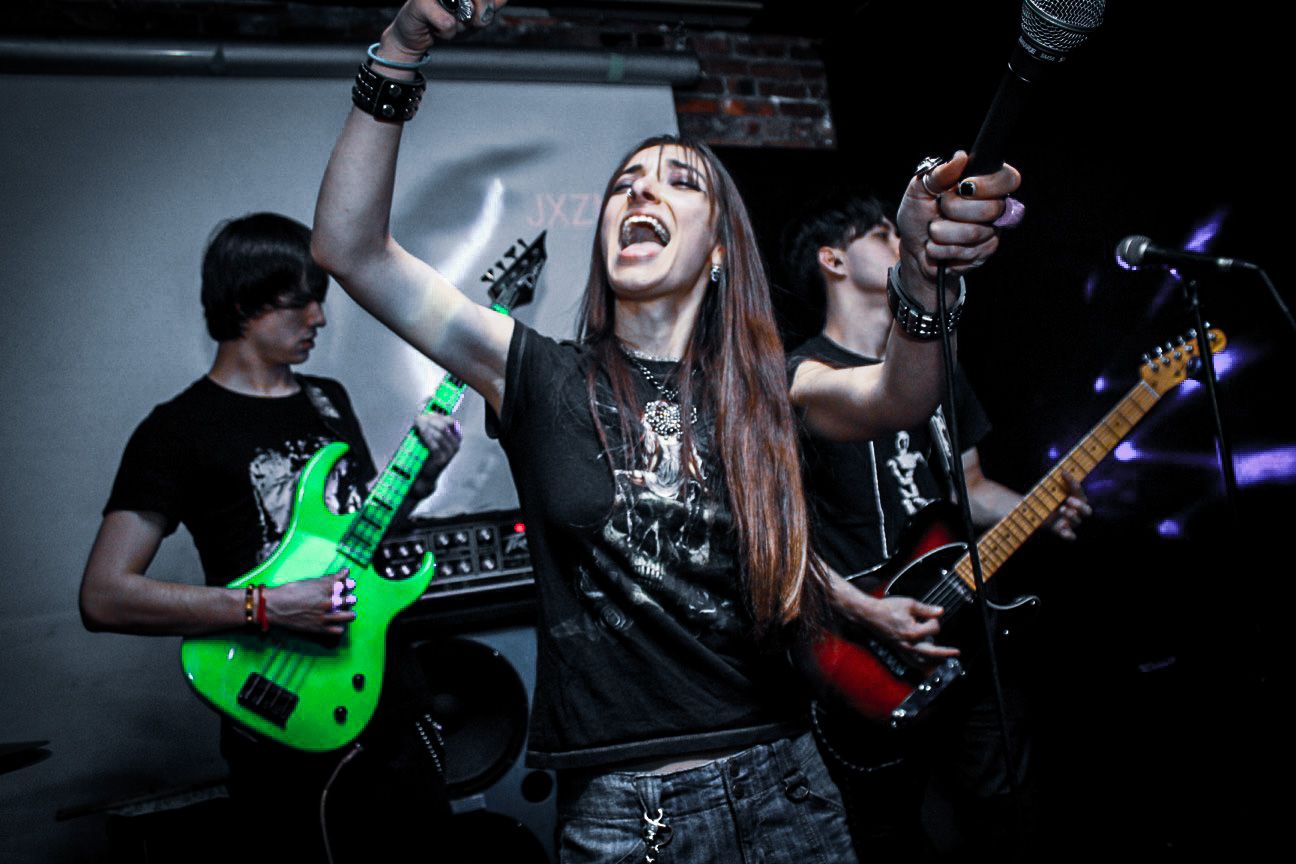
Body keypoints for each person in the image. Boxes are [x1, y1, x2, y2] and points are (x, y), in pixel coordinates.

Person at [310, 3, 1020, 860]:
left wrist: (923, 275)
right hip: (625, 811)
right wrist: (400, 48)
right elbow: (351, 249)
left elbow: (901, 396)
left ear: (718, 250)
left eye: (679, 182)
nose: (642, 191)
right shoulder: (534, 373)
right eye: (625, 184)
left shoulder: (768, 385)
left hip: (786, 785)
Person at [79, 212, 463, 862]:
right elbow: (104, 596)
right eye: (300, 302)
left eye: (320, 299)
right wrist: (266, 607)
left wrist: (420, 481)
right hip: (281, 716)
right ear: (242, 303)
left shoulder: (328, 401)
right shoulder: (175, 431)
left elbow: (357, 543)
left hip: (392, 706)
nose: (320, 318)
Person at [782, 190, 1090, 859]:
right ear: (833, 260)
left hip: (966, 630)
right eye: (882, 234)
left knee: (1007, 816)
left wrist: (1037, 509)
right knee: (889, 834)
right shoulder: (801, 375)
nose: (901, 242)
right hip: (865, 646)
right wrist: (862, 608)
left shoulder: (940, 370)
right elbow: (779, 531)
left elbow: (970, 489)